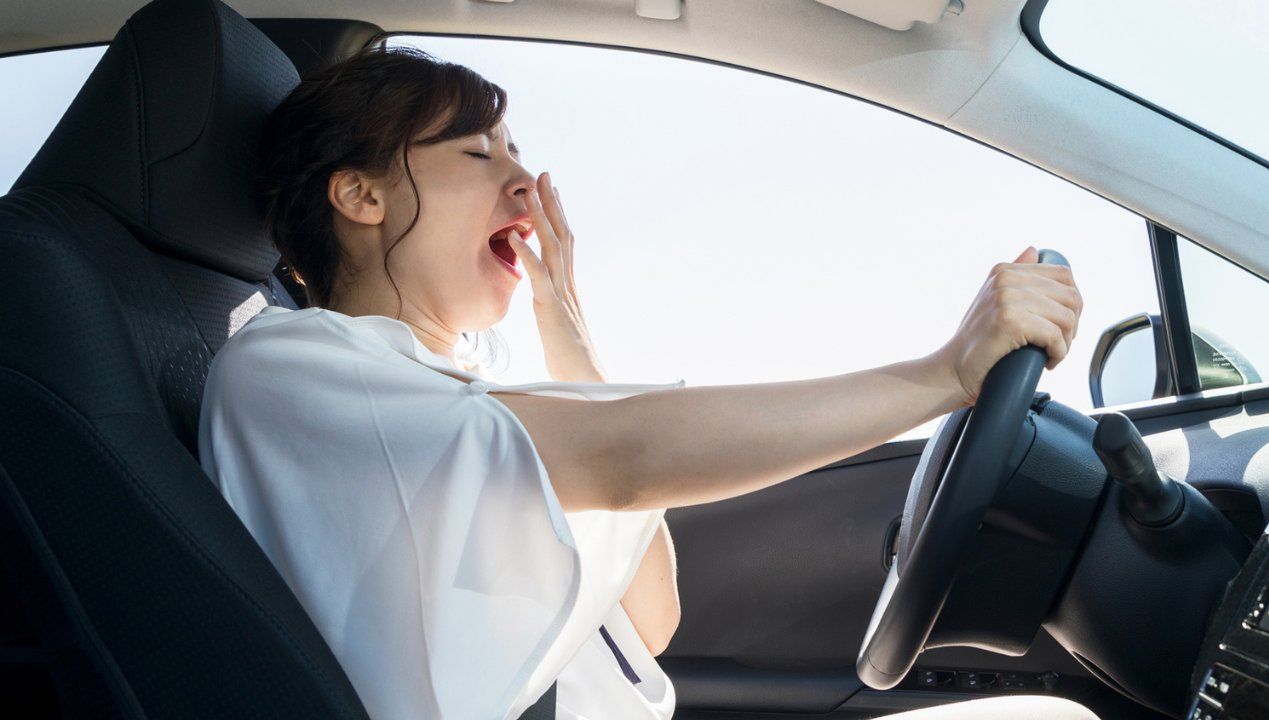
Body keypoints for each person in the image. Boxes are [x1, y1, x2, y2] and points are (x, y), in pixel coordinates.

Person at [197, 45, 1093, 720]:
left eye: (517, 151)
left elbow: (648, 621)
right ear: (360, 197)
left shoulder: (438, 395)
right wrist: (941, 373)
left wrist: (572, 344)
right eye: (478, 155)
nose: (528, 185)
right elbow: (623, 456)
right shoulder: (290, 366)